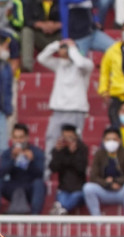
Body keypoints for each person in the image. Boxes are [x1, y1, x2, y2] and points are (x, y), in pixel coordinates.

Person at [37, 39, 93, 168]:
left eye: (65, 48)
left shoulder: (86, 64)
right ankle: (47, 171)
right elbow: (41, 58)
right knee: (51, 139)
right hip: (58, 110)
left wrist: (72, 48)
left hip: (76, 110)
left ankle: (77, 173)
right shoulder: (59, 64)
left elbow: (79, 63)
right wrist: (56, 44)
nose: (63, 50)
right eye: (63, 48)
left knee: (76, 143)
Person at [0, 123, 46, 214]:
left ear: (27, 137)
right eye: (16, 137)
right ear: (12, 138)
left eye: (21, 137)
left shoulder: (36, 152)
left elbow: (40, 174)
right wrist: (12, 159)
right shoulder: (8, 153)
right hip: (12, 187)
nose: (18, 140)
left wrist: (31, 161)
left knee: (39, 184)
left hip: (29, 187)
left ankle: (35, 217)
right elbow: (1, 173)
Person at [83, 127, 124, 216]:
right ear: (103, 141)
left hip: (121, 190)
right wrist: (107, 183)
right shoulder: (99, 153)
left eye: (114, 139)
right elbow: (93, 177)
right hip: (104, 190)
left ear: (119, 140)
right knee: (88, 188)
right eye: (108, 139)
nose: (111, 142)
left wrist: (115, 181)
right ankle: (97, 220)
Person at [48, 123, 87, 214]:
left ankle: (60, 210)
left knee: (73, 198)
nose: (67, 140)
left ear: (76, 137)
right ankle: (61, 210)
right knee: (62, 199)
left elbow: (80, 168)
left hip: (78, 189)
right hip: (64, 188)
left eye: (70, 137)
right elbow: (53, 168)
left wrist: (72, 154)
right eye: (65, 137)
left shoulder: (82, 149)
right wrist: (57, 153)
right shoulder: (59, 149)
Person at [20, 0, 61, 72]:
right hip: (40, 37)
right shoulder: (31, 2)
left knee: (72, 33)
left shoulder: (62, 2)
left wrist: (56, 26)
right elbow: (26, 21)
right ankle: (27, 67)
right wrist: (42, 25)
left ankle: (70, 69)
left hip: (58, 37)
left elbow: (72, 20)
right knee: (26, 31)